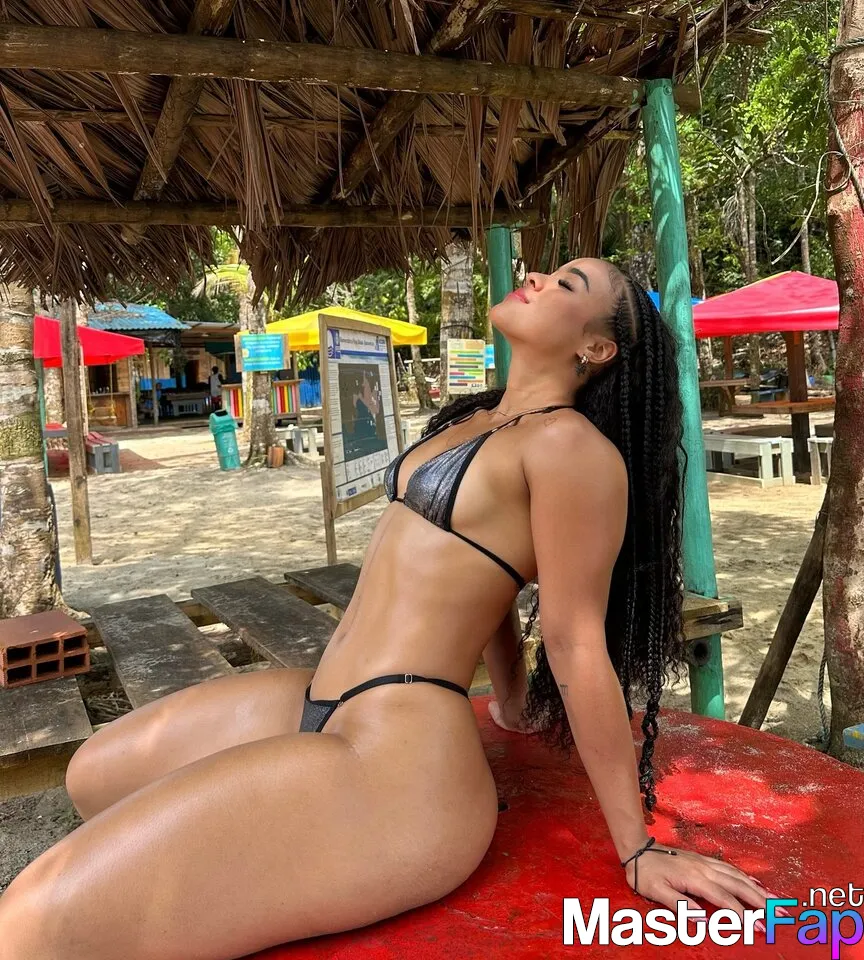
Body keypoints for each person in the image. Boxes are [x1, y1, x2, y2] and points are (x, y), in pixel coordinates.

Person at [0, 260, 775, 960]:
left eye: (567, 284)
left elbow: (575, 641)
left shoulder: (569, 448)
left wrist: (637, 847)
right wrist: (510, 702)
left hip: (399, 761)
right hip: (323, 698)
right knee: (93, 775)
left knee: (28, 922)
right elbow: (490, 582)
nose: (537, 276)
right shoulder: (476, 417)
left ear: (596, 348)